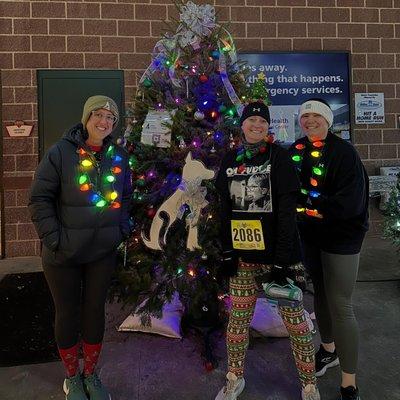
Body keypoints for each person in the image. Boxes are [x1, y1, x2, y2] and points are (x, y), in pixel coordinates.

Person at [214, 101, 320, 400]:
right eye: (251, 120)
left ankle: (309, 384)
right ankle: (234, 377)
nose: (256, 125)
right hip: (244, 256)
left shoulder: (279, 157)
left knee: (296, 323)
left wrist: (283, 260)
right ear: (243, 124)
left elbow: (288, 211)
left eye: (262, 121)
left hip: (279, 257)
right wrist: (227, 251)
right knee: (238, 322)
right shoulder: (231, 158)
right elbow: (225, 209)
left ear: (268, 126)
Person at [29, 95, 132, 400]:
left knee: (94, 313)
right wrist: (54, 239)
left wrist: (121, 229)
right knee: (67, 313)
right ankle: (72, 377)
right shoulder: (61, 153)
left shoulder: (118, 156)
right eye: (99, 115)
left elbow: (125, 197)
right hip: (63, 254)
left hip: (102, 251)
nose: (104, 122)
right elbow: (39, 198)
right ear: (87, 118)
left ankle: (91, 375)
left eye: (111, 118)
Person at [290, 98, 369, 400]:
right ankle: (328, 349)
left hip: (342, 239)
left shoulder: (344, 152)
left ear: (327, 120)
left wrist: (308, 204)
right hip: (311, 237)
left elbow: (349, 205)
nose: (310, 120)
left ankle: (349, 383)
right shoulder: (296, 150)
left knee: (341, 304)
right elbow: (288, 191)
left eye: (316, 116)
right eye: (305, 116)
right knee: (320, 294)